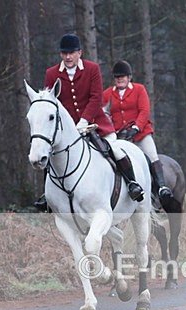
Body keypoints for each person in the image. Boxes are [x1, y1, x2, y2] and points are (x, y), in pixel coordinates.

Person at [35, 33, 144, 212]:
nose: (68, 57)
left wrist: (84, 120)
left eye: (71, 53)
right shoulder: (51, 73)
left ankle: (132, 184)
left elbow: (96, 98)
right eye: (64, 53)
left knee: (115, 149)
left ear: (80, 52)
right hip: (66, 130)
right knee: (50, 156)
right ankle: (47, 198)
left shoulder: (92, 69)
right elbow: (50, 101)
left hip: (95, 123)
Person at [102, 60, 178, 210]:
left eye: (122, 76)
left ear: (129, 77)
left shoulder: (139, 89)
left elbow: (144, 111)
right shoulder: (108, 94)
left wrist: (136, 128)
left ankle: (162, 187)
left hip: (140, 134)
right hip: (119, 136)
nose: (120, 79)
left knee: (152, 155)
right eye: (117, 77)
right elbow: (103, 112)